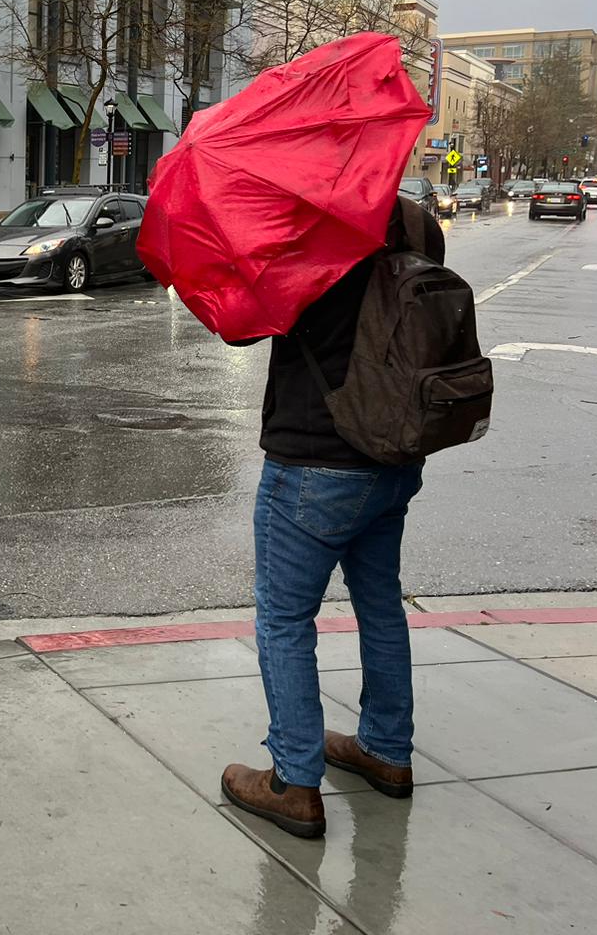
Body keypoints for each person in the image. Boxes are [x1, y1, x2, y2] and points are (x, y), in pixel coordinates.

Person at [220, 199, 445, 839]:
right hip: (394, 452)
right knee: (379, 603)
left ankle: (294, 781)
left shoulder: (311, 229)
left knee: (285, 618)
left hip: (313, 458)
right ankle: (386, 751)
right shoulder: (416, 223)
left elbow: (239, 325)